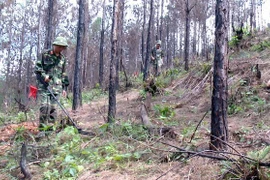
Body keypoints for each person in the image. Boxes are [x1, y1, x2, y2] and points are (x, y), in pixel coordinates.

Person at [35, 36, 69, 129]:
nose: (60, 49)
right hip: (45, 86)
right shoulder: (44, 54)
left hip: (57, 88)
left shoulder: (62, 59)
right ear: (54, 45)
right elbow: (38, 69)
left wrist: (64, 88)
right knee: (45, 107)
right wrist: (44, 76)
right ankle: (42, 130)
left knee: (54, 110)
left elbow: (63, 74)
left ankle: (50, 131)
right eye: (59, 46)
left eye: (62, 47)